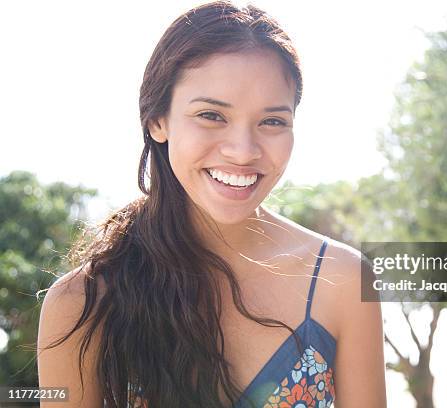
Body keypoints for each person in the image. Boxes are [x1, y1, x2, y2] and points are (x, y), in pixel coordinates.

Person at [36, 1, 387, 407]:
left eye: (272, 121)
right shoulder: (83, 302)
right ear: (158, 120)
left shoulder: (341, 281)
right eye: (211, 115)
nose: (243, 151)